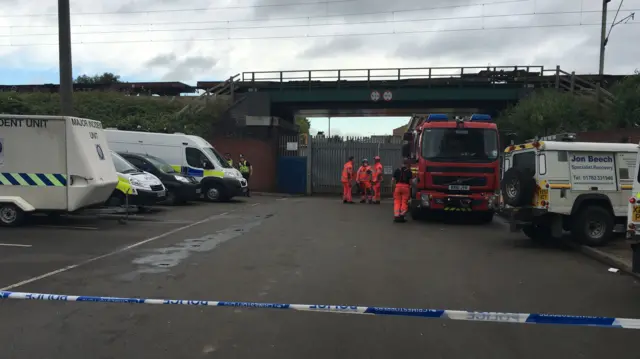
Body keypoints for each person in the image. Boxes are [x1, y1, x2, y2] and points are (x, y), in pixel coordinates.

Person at [392, 158, 413, 222]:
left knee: (397, 201)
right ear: (407, 164)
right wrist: (410, 187)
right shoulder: (409, 171)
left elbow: (393, 180)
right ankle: (402, 216)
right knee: (404, 201)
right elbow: (410, 181)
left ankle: (396, 215)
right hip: (406, 187)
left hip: (397, 187)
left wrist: (393, 189)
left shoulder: (397, 170)